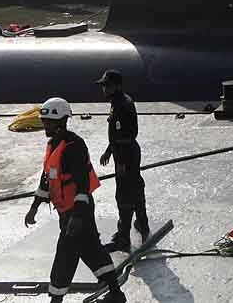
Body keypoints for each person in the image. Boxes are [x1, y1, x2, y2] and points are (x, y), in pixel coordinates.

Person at [24, 97, 126, 303]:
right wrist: (34, 207)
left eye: (48, 122)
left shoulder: (74, 146)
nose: (44, 125)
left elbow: (82, 185)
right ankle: (116, 294)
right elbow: (48, 178)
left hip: (78, 211)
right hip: (68, 212)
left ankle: (56, 300)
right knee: (92, 251)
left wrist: (78, 216)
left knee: (65, 256)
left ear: (61, 121)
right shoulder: (54, 144)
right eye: (44, 121)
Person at [97, 70, 149, 253]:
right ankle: (142, 223)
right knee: (135, 186)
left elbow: (128, 134)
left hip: (125, 155)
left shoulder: (122, 105)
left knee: (124, 194)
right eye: (103, 85)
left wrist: (119, 157)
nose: (104, 88)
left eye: (107, 85)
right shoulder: (119, 102)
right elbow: (119, 134)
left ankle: (123, 237)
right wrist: (109, 151)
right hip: (125, 153)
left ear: (117, 85)